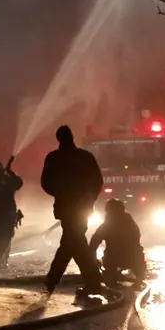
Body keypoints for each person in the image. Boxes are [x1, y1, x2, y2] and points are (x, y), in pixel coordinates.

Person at [41, 125, 104, 295]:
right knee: (74, 242)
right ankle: (92, 281)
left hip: (65, 209)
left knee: (71, 242)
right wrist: (89, 199)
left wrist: (61, 193)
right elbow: (97, 181)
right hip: (82, 209)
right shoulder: (85, 157)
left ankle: (54, 280)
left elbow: (45, 183)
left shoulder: (53, 158)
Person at [89, 199, 147, 290]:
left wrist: (93, 260)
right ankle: (136, 278)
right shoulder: (129, 223)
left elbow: (93, 244)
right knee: (137, 255)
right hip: (126, 257)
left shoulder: (107, 226)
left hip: (122, 257)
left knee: (136, 255)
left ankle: (116, 278)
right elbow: (93, 244)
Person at [0, 156, 23, 268]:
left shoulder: (5, 179)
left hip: (5, 212)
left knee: (6, 235)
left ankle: (3, 260)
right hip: (1, 212)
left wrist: (10, 172)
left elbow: (19, 183)